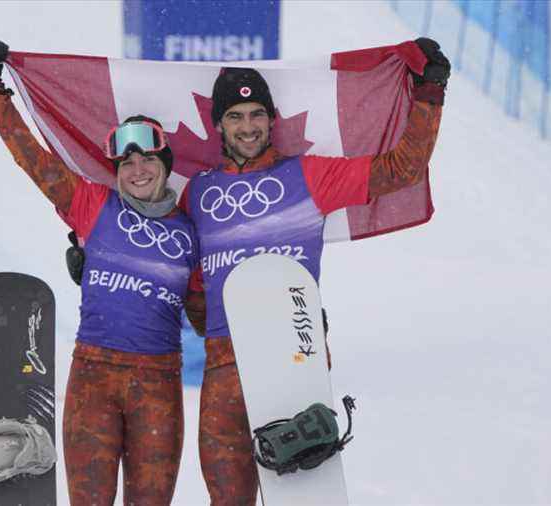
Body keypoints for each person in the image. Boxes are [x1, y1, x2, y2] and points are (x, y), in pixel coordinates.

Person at [179, 38, 450, 505]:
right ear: (219, 125)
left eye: (258, 114)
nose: (249, 126)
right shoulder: (198, 194)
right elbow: (190, 285)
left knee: (306, 496)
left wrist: (429, 94)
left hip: (291, 357)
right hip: (226, 365)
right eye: (236, 117)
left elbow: (403, 168)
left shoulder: (308, 176)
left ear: (271, 119)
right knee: (227, 500)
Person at [0, 40, 203, 506]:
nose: (137, 169)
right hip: (93, 377)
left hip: (158, 383)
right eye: (127, 162)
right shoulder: (93, 206)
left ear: (165, 166)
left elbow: (205, 319)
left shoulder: (191, 234)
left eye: (148, 160)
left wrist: (276, 331)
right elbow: (30, 157)